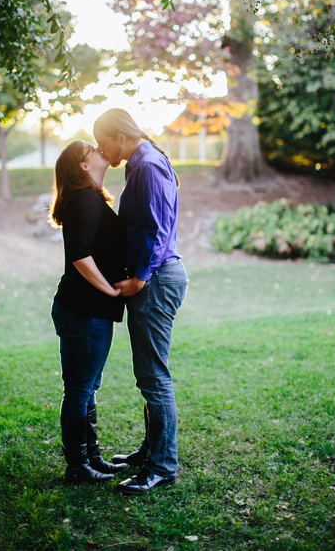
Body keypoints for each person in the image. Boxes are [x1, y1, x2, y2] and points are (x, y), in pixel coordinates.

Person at [93, 108, 188, 495]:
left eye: (102, 142)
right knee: (149, 373)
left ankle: (162, 466)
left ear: (120, 136)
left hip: (157, 279)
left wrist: (140, 277)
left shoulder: (147, 164)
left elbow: (157, 227)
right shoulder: (142, 162)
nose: (101, 151)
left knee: (153, 377)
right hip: (156, 276)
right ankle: (150, 451)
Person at [48, 140, 130, 484]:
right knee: (80, 389)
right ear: (84, 165)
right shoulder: (83, 200)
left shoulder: (89, 198)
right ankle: (78, 465)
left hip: (91, 310)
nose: (100, 150)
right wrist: (110, 288)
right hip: (83, 310)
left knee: (87, 387)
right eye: (92, 149)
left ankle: (92, 458)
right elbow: (80, 257)